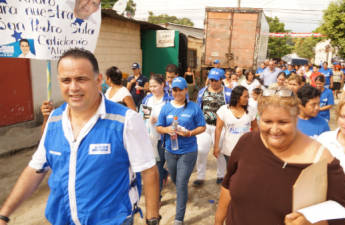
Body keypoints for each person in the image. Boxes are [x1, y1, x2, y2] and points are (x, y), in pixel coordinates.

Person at [0, 49, 160, 225]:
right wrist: (4, 214)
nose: (73, 87)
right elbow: (35, 170)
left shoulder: (126, 121)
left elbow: (149, 171)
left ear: (98, 80)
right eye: (66, 80)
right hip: (61, 220)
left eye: (81, 79)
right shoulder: (54, 120)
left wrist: (152, 219)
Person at [214, 87, 345, 225]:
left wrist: (312, 221)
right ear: (259, 118)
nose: (275, 130)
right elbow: (227, 187)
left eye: (283, 122)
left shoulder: (319, 157)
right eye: (267, 121)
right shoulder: (247, 142)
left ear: (296, 119)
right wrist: (218, 222)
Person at [156, 77, 206, 225]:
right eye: (174, 90)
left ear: (185, 90)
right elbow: (159, 126)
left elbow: (202, 127)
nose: (177, 92)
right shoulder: (166, 107)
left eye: (180, 89)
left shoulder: (194, 107)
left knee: (182, 182)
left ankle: (179, 219)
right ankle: (182, 195)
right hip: (170, 151)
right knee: (176, 180)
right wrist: (167, 130)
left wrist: (189, 133)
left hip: (188, 151)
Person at [195, 69, 232, 186]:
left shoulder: (228, 93)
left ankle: (221, 175)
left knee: (220, 151)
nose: (213, 82)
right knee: (201, 151)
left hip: (220, 127)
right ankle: (200, 176)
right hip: (205, 126)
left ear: (221, 80)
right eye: (211, 80)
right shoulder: (203, 92)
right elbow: (197, 108)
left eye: (216, 80)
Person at [141, 74, 172, 196]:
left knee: (163, 165)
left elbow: (174, 118)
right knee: (155, 166)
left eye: (155, 86)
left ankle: (163, 179)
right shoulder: (147, 99)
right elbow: (144, 117)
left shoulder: (168, 101)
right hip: (151, 138)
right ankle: (157, 195)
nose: (152, 89)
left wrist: (160, 119)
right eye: (151, 86)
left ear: (162, 85)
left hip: (164, 138)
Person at [213, 86, 258, 164]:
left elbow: (255, 128)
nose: (248, 99)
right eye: (245, 96)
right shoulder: (223, 110)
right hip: (229, 149)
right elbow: (218, 129)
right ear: (237, 97)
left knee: (244, 174)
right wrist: (216, 146)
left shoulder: (251, 110)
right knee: (232, 174)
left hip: (247, 149)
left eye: (248, 96)